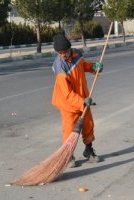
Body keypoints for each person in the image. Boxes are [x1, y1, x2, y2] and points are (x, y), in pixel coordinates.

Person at [51, 33, 103, 168]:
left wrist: (93, 67)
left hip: (84, 97)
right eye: (60, 53)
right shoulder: (60, 67)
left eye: (65, 52)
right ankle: (68, 154)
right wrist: (81, 102)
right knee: (69, 130)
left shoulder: (77, 54)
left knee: (88, 125)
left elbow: (83, 66)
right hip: (68, 103)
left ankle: (89, 150)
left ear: (70, 48)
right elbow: (67, 94)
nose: (63, 55)